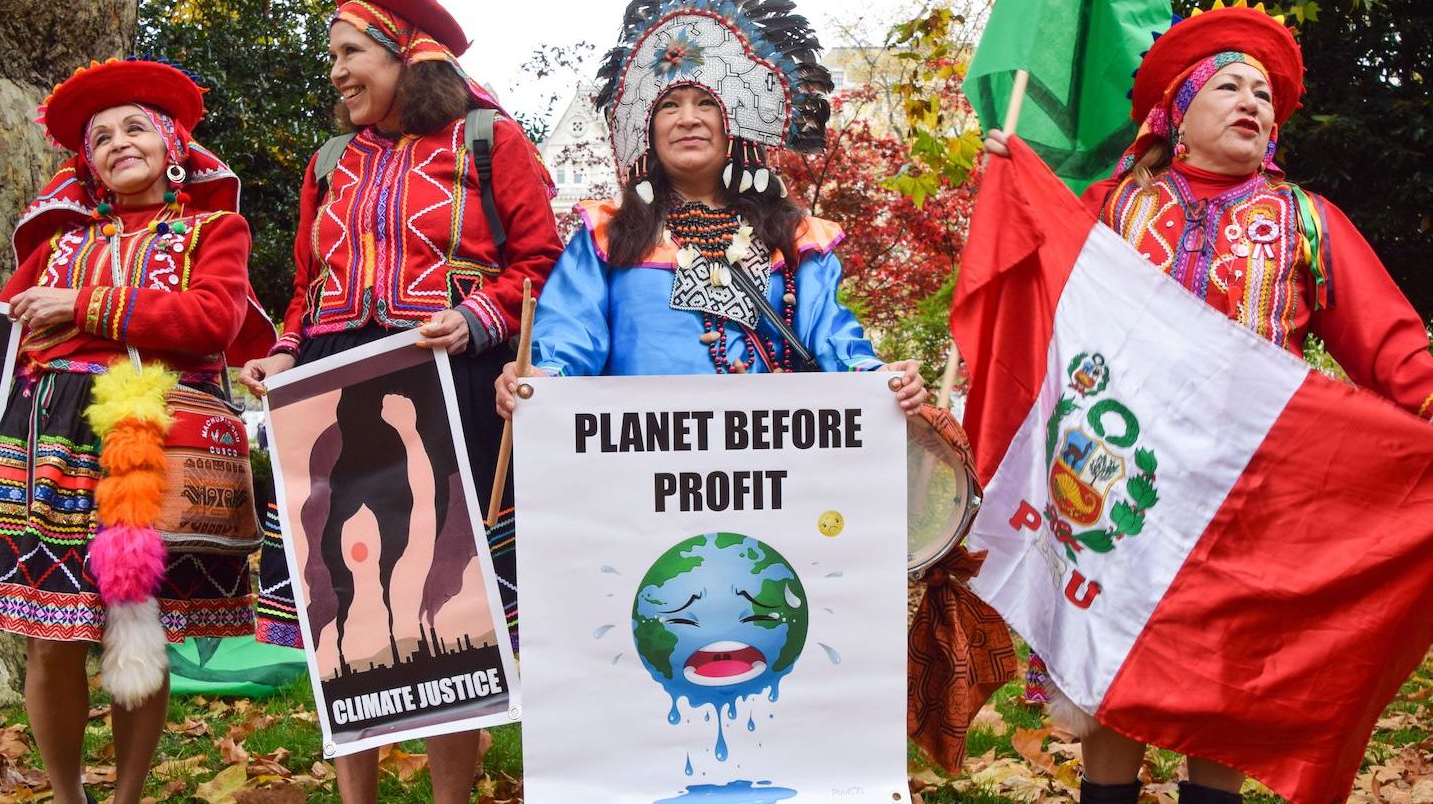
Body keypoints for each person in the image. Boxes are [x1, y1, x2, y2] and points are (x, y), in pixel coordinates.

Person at [984, 4, 1433, 802]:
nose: (1253, 102)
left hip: (1243, 498)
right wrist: (1009, 181)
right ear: (1178, 118)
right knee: (1111, 679)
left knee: (1222, 690)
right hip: (1117, 478)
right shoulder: (1112, 207)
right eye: (1229, 86)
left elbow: (1393, 348)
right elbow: (1034, 266)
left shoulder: (1305, 222)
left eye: (1263, 94)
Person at [237, 1, 561, 801]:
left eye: (351, 53)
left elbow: (545, 261)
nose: (337, 71)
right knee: (343, 604)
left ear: (406, 56)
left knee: (449, 607)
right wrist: (282, 348)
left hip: (448, 385)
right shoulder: (328, 162)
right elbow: (308, 288)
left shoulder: (489, 140)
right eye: (332, 56)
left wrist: (480, 316)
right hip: (332, 391)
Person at [0, 58, 275, 804]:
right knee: (51, 632)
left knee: (145, 626)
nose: (117, 142)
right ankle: (70, 796)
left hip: (164, 440)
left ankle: (129, 797)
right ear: (89, 167)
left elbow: (213, 319)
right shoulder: (58, 247)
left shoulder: (214, 229)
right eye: (99, 138)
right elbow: (0, 332)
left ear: (174, 148)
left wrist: (81, 310)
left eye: (135, 127)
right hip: (57, 446)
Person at [494, 0, 927, 411]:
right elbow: (569, 338)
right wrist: (538, 380)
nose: (688, 119)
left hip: (767, 463)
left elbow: (830, 335)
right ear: (648, 129)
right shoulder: (606, 235)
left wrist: (880, 377)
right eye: (668, 106)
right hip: (638, 465)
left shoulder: (793, 236)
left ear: (732, 123)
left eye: (706, 103)